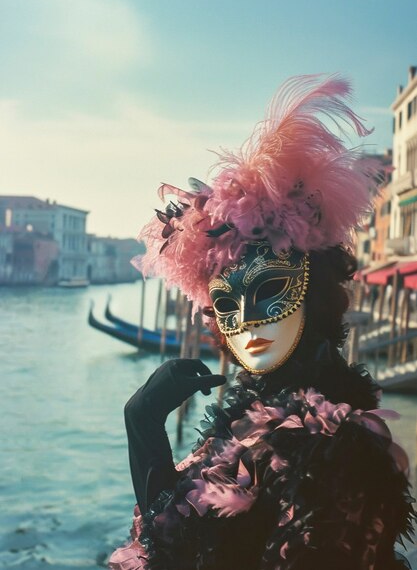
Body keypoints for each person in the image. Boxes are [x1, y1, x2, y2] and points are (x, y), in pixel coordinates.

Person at [109, 75, 415, 570]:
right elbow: (174, 536)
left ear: (312, 293)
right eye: (227, 305)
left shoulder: (339, 455)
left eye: (269, 290)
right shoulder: (248, 425)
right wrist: (143, 428)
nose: (247, 321)